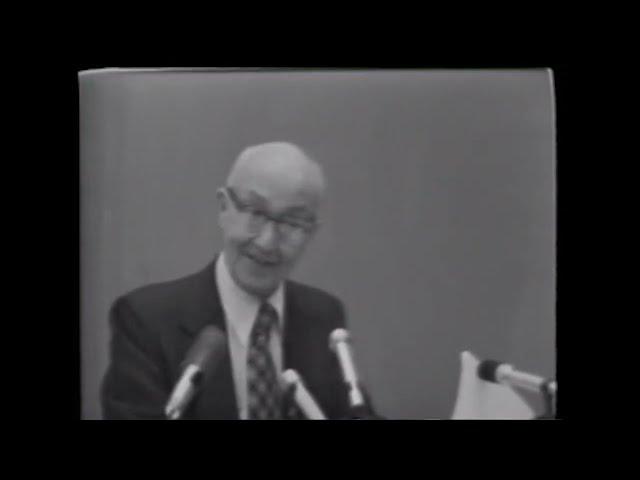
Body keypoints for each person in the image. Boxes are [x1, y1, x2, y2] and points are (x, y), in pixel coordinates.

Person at [101, 141, 358, 420]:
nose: (268, 242)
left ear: (310, 232)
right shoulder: (146, 320)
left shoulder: (323, 317)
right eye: (255, 213)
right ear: (224, 208)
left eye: (292, 223)